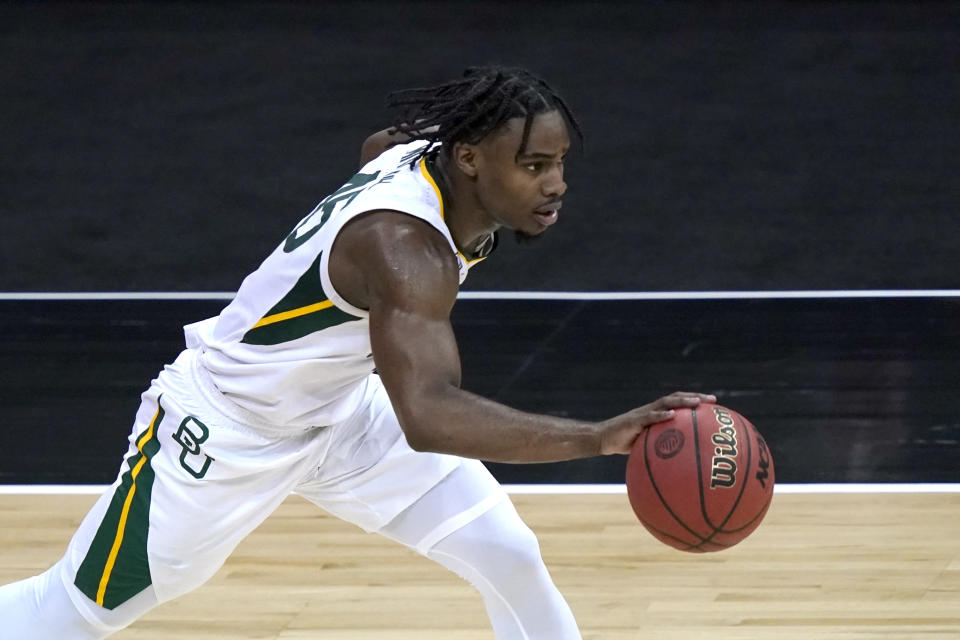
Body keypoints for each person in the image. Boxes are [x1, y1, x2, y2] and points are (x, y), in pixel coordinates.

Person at [0, 65, 714, 639]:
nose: (555, 185)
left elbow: (380, 144)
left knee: (508, 553)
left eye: (558, 163)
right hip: (228, 427)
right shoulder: (406, 251)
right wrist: (595, 436)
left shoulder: (425, 156)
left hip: (343, 412)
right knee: (76, 611)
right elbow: (429, 415)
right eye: (532, 165)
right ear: (469, 159)